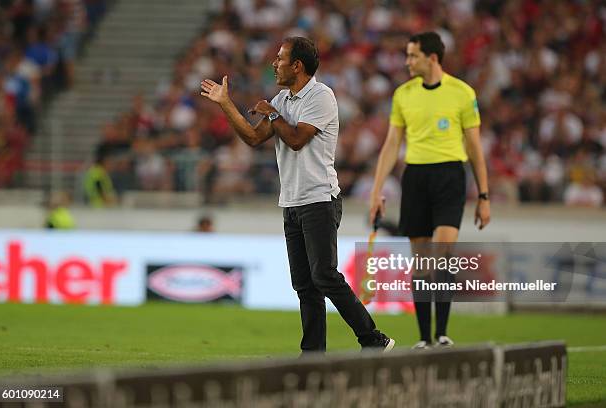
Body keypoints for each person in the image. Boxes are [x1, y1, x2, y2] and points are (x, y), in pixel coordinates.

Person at [201, 36, 394, 353]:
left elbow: (295, 139)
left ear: (297, 65)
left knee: (325, 276)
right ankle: (313, 353)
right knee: (305, 285)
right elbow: (252, 137)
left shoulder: (321, 96)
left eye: (280, 58)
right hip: (291, 201)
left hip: (319, 198)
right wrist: (226, 104)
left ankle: (373, 338)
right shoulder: (281, 100)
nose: (274, 64)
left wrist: (273, 116)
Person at [369, 32, 491, 349]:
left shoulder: (462, 93)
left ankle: (443, 333)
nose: (407, 62)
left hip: (450, 174)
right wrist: (376, 190)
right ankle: (425, 337)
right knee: (421, 262)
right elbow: (392, 144)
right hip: (416, 178)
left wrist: (484, 195)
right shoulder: (403, 95)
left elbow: (475, 146)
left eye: (413, 56)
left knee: (443, 255)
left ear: (432, 58)